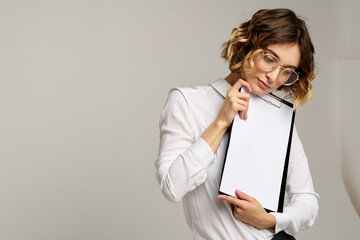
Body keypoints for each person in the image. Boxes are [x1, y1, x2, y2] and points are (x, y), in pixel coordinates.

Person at [155, 8, 319, 240]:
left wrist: (269, 220)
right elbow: (172, 187)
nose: (273, 76)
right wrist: (222, 121)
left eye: (287, 71)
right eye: (269, 58)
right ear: (247, 46)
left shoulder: (280, 118)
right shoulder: (188, 102)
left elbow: (308, 200)